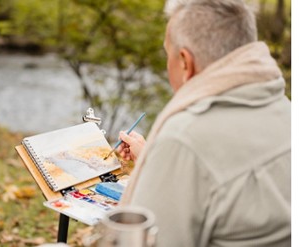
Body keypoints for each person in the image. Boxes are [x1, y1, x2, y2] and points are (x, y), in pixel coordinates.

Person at [117, 0, 291, 246]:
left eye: (169, 54)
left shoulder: (184, 137)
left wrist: (169, 155)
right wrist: (153, 159)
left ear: (185, 63)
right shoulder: (286, 109)